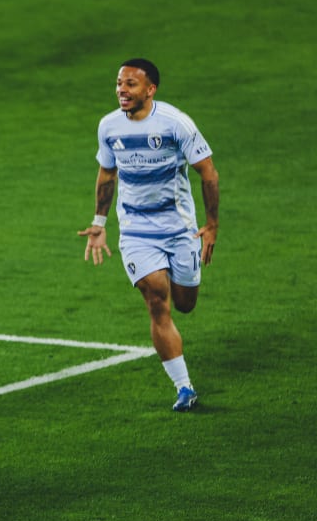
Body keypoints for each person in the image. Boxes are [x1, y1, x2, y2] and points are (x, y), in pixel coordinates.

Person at [78, 58, 220, 411]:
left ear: (150, 89)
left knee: (185, 303)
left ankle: (172, 273)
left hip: (179, 228)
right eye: (119, 83)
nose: (122, 90)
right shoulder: (109, 126)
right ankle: (184, 387)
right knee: (156, 299)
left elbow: (208, 172)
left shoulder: (175, 123)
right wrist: (99, 222)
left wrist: (212, 225)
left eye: (131, 84)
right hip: (136, 230)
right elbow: (107, 174)